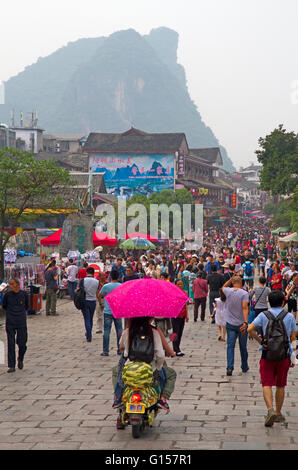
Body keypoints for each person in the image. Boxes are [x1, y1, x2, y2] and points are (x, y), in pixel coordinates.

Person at [247, 290, 296, 426]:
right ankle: (279, 413)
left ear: (269, 301)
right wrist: (293, 356)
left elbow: (250, 328)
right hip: (283, 355)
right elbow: (293, 337)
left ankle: (270, 410)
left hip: (267, 354)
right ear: (282, 302)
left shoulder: (264, 315)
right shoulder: (289, 316)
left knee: (266, 383)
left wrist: (261, 341)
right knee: (281, 384)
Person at [114, 316, 177, 411]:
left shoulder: (128, 331)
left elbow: (121, 348)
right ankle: (163, 399)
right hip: (149, 369)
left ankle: (118, 398)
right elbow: (160, 355)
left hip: (130, 369)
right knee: (171, 374)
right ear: (150, 318)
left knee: (115, 371)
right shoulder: (154, 332)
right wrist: (158, 367)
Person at [222, 275, 250, 376]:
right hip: (241, 323)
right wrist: (246, 322)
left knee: (230, 346)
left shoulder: (228, 291)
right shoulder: (244, 293)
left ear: (233, 282)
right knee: (243, 347)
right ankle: (244, 366)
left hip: (230, 323)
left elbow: (223, 287)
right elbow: (245, 307)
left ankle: (230, 367)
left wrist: (230, 279)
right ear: (241, 283)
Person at [3, 278, 29, 373]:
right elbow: (4, 306)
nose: (11, 286)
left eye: (12, 284)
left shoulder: (23, 294)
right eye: (9, 284)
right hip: (10, 321)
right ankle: (11, 365)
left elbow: (27, 306)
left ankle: (20, 358)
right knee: (11, 343)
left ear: (18, 284)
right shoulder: (7, 295)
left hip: (21, 321)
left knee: (22, 343)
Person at [100, 270, 123, 356]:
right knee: (119, 331)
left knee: (106, 331)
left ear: (111, 276)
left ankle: (105, 351)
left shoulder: (106, 286)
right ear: (118, 276)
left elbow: (100, 294)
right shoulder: (121, 286)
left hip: (108, 311)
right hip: (118, 311)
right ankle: (120, 350)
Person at [80, 266, 100, 342]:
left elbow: (80, 290)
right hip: (93, 301)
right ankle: (89, 332)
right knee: (90, 318)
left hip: (85, 301)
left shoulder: (83, 280)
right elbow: (97, 291)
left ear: (87, 272)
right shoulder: (97, 281)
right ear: (93, 273)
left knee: (86, 318)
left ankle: (89, 335)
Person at [171, 279, 189, 356]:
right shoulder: (173, 293)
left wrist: (187, 315)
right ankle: (175, 349)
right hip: (175, 315)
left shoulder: (184, 293)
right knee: (175, 332)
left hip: (182, 315)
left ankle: (177, 348)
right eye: (178, 284)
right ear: (175, 285)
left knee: (180, 332)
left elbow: (185, 305)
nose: (180, 286)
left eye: (181, 284)